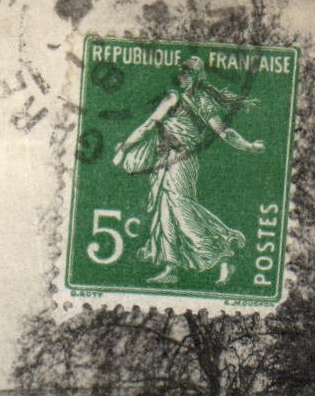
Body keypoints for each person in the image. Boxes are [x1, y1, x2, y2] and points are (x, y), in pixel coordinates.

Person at [112, 55, 265, 285]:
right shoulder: (181, 98)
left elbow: (224, 132)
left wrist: (249, 146)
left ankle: (223, 255)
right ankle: (171, 267)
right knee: (166, 213)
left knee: (182, 211)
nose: (179, 76)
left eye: (184, 73)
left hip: (181, 162)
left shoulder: (191, 101)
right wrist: (125, 147)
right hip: (165, 160)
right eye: (180, 72)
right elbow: (149, 125)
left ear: (193, 76)